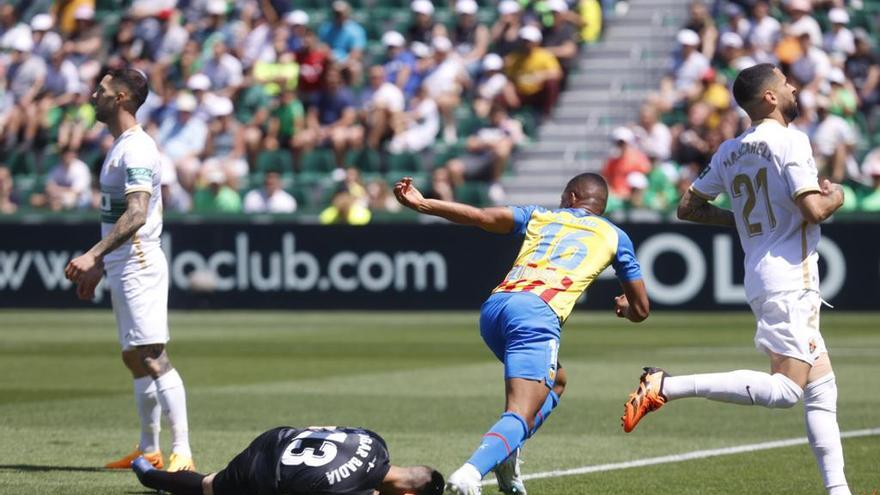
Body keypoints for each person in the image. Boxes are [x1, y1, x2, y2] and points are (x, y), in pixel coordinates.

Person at [621, 64, 850, 495]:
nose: (793, 87)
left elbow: (688, 207)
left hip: (764, 275)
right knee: (786, 391)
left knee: (822, 388)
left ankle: (839, 491)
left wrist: (747, 225)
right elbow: (815, 210)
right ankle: (665, 385)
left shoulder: (730, 150)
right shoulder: (790, 141)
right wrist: (837, 193)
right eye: (785, 84)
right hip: (789, 280)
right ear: (769, 98)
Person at [393, 173, 649, 494]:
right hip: (536, 315)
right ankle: (471, 473)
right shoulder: (615, 236)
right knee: (519, 412)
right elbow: (641, 310)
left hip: (495, 309)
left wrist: (424, 203)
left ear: (571, 198)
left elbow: (483, 217)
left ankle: (507, 454)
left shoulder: (540, 215)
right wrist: (626, 307)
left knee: (556, 381)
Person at [63, 68, 195, 472]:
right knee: (133, 357)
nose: (92, 96)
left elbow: (137, 214)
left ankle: (183, 453)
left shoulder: (137, 149)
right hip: (122, 263)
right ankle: (148, 449)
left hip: (138, 262)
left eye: (100, 90)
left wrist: (92, 254)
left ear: (120, 98)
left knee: (154, 355)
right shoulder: (120, 146)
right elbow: (117, 215)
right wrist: (102, 262)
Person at [132, 425, 444, 495]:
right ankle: (147, 474)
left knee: (211, 482)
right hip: (267, 474)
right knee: (209, 489)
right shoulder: (349, 488)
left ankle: (145, 469)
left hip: (278, 438)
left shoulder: (375, 442)